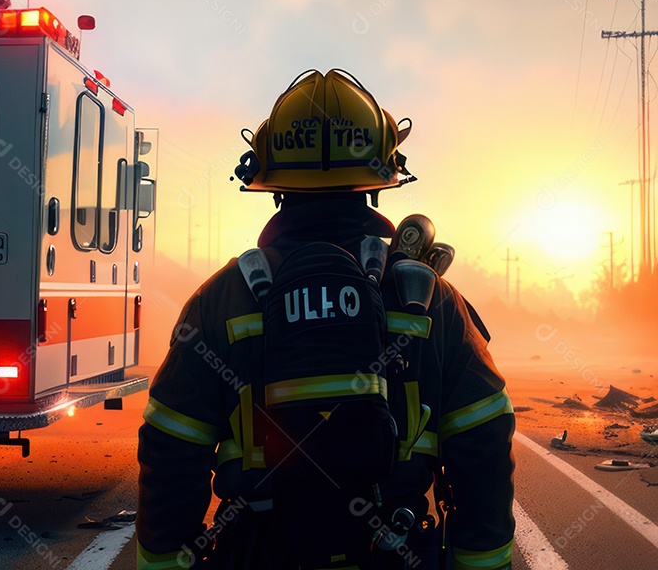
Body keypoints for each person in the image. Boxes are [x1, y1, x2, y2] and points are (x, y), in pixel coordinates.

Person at [136, 69, 514, 569]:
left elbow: (171, 456)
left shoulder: (221, 300)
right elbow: (482, 445)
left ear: (270, 181)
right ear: (380, 178)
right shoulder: (430, 300)